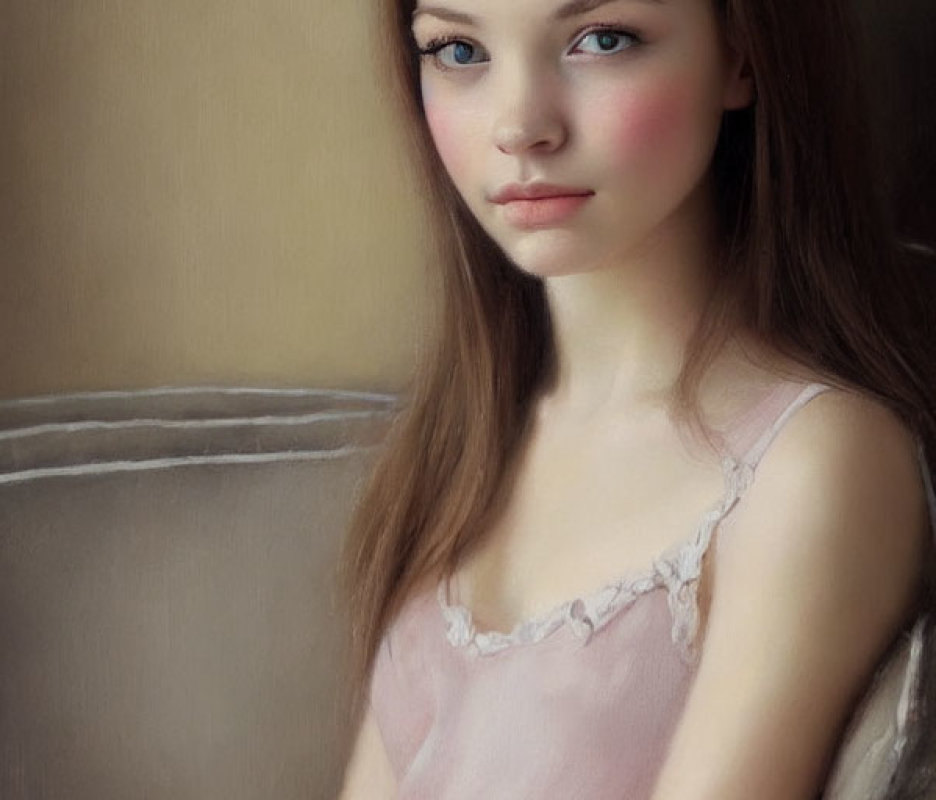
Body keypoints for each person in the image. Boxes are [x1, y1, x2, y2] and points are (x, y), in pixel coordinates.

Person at [336, 0, 936, 797]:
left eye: (601, 39)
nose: (520, 127)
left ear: (741, 56)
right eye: (458, 50)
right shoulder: (463, 441)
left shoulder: (813, 465)